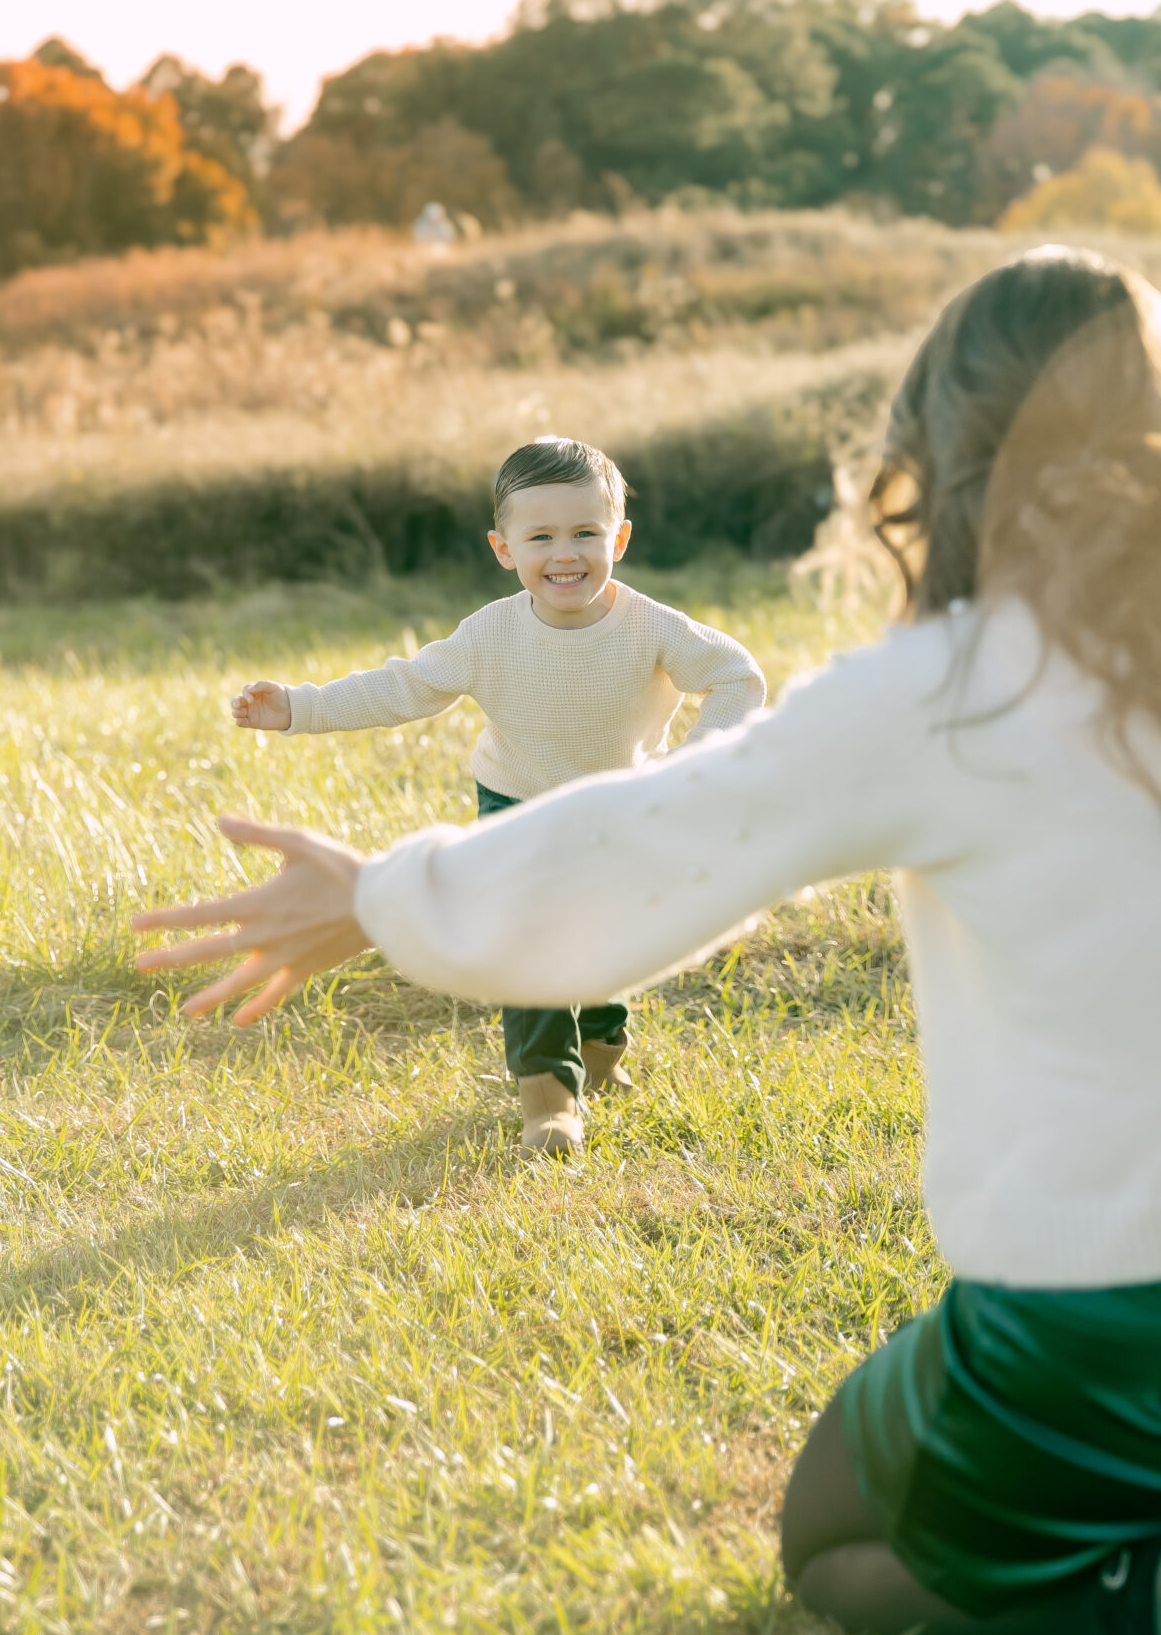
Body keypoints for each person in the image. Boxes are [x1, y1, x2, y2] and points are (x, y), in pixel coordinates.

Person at [135, 249, 1161, 1635]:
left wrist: (378, 897)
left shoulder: (952, 684)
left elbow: (650, 852)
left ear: (942, 448)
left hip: (1111, 1336)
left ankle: (1142, 1600)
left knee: (837, 1537)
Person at [229, 435, 767, 1157]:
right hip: (515, 805)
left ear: (621, 538)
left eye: (585, 532)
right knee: (529, 941)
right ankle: (548, 1100)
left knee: (603, 945)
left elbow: (738, 679)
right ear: (503, 548)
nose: (565, 553)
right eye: (540, 536)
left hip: (621, 810)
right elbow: (403, 688)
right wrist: (299, 707)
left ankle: (602, 1048)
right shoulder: (489, 635)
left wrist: (695, 764)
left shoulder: (651, 627)